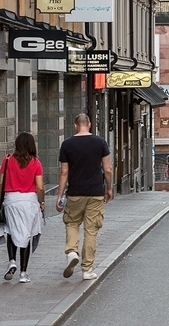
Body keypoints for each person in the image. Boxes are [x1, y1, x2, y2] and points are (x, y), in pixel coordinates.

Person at [55, 113, 113, 281]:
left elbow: (64, 172)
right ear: (89, 124)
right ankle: (87, 269)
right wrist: (109, 189)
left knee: (72, 223)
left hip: (75, 193)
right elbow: (107, 169)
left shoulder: (67, 144)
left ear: (75, 126)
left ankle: (72, 251)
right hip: (95, 193)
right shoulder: (100, 142)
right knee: (91, 230)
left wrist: (59, 196)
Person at [0, 132, 45, 283]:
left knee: (11, 231)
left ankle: (12, 261)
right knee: (26, 234)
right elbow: (40, 186)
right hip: (29, 201)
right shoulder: (36, 163)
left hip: (11, 200)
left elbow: (0, 182)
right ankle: (23, 274)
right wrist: (42, 201)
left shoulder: (7, 160)